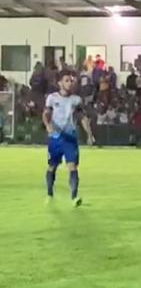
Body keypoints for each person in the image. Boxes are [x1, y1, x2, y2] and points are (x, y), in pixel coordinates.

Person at [42, 70, 95, 207]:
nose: (70, 83)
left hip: (70, 138)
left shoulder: (76, 99)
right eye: (67, 80)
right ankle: (49, 193)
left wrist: (89, 134)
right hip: (56, 138)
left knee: (72, 167)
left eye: (71, 80)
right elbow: (46, 113)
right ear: (59, 83)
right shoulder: (52, 98)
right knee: (52, 166)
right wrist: (48, 125)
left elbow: (82, 117)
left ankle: (74, 197)